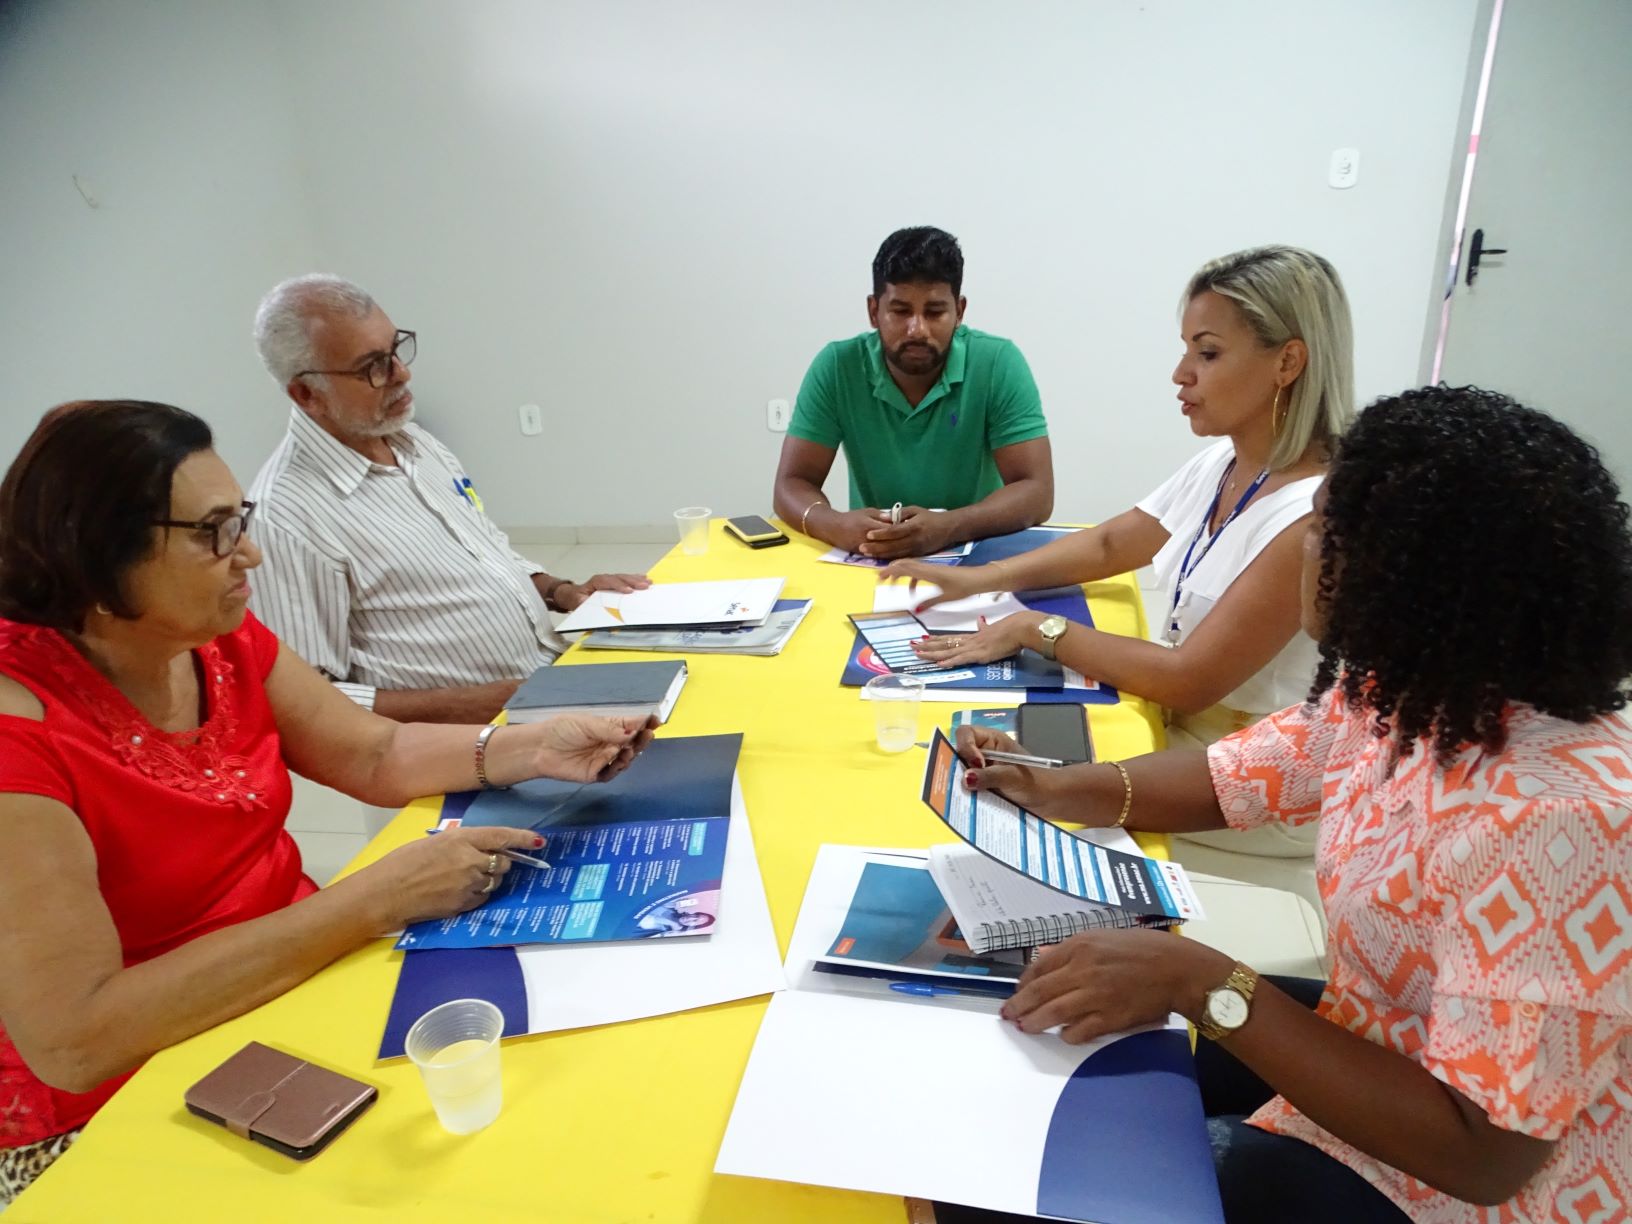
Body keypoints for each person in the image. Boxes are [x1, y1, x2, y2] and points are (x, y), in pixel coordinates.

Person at [949, 387, 1632, 1222]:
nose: (1306, 543)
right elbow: (1240, 776)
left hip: (1474, 1188)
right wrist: (1056, 783)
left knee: (1040, 1191)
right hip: (1385, 1044)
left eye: (1325, 525)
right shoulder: (1405, 690)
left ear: (1414, 571)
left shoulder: (1563, 820)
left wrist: (1206, 985)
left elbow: (1484, 1153)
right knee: (1058, 1043)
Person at [0, 401, 655, 1203]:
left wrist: (531, 747)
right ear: (95, 555)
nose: (251, 554)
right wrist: (369, 900)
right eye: (212, 533)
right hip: (121, 1095)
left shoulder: (216, 639)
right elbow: (75, 1039)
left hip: (284, 981)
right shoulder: (19, 740)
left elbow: (370, 751)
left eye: (238, 518)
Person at [886, 245, 1353, 861]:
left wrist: (1034, 626)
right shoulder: (1227, 461)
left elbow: (1189, 680)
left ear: (1288, 361)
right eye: (1186, 349)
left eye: (1207, 353)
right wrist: (979, 580)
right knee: (981, 762)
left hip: (1247, 791)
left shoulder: (1311, 516)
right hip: (1183, 745)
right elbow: (1112, 542)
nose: (1181, 373)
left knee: (974, 818)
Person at [248, 274, 650, 723]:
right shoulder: (284, 517)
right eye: (372, 367)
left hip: (550, 691)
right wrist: (465, 706)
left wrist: (563, 591)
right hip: (465, 745)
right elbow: (302, 701)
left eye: (396, 349)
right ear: (307, 394)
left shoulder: (413, 442)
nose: (402, 373)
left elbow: (485, 553)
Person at [771, 226, 1054, 561]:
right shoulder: (837, 366)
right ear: (874, 311)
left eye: (934, 312)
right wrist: (833, 524)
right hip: (873, 558)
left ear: (959, 312)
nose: (917, 329)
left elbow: (1037, 492)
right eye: (901, 311)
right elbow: (791, 483)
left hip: (978, 558)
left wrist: (949, 526)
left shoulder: (997, 362)